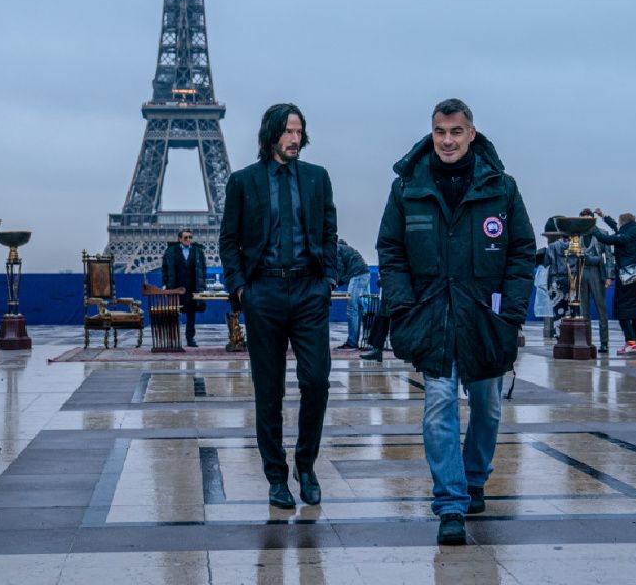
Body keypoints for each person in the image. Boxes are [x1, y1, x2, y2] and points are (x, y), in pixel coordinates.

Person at [376, 98, 535, 545]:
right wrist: (404, 306)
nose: (447, 141)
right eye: (440, 132)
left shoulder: (502, 188)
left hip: (485, 316)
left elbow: (522, 251)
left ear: (471, 133)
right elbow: (390, 250)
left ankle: (473, 477)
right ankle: (449, 503)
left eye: (456, 132)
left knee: (487, 406)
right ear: (432, 133)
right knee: (439, 406)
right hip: (432, 315)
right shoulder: (407, 187)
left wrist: (513, 312)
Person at [219, 102, 338, 509]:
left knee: (316, 381)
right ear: (271, 133)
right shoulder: (243, 182)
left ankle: (306, 464)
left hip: (308, 290)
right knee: (267, 391)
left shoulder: (318, 178)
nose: (295, 138)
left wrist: (327, 282)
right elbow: (228, 241)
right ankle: (276, 476)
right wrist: (240, 289)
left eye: (300, 131)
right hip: (264, 293)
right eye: (288, 130)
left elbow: (329, 229)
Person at [591, 209, 636, 356]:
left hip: (627, 277)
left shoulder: (625, 237)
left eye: (619, 222)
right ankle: (635, 344)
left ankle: (630, 343)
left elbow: (605, 239)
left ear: (623, 222)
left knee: (623, 312)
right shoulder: (632, 232)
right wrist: (603, 216)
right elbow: (617, 229)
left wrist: (591, 227)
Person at [576, 209, 615, 353]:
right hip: (582, 272)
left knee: (601, 309)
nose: (585, 222)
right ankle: (586, 341)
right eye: (582, 220)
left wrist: (609, 277)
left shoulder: (603, 234)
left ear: (593, 220)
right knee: (583, 311)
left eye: (587, 220)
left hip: (597, 273)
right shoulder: (577, 235)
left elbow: (610, 257)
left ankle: (604, 342)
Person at [161, 229, 208, 348]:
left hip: (192, 287)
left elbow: (203, 268)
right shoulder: (171, 251)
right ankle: (174, 338)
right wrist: (167, 284)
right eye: (186, 237)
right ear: (179, 239)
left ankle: (190, 338)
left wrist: (202, 285)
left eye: (190, 237)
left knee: (191, 313)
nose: (188, 240)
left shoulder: (198, 251)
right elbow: (165, 269)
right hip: (176, 287)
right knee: (174, 313)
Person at [334, 239, 371, 350]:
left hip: (357, 275)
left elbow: (339, 269)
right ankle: (353, 341)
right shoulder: (344, 248)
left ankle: (352, 343)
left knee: (352, 309)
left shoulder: (336, 249)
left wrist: (333, 285)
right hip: (363, 274)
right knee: (357, 309)